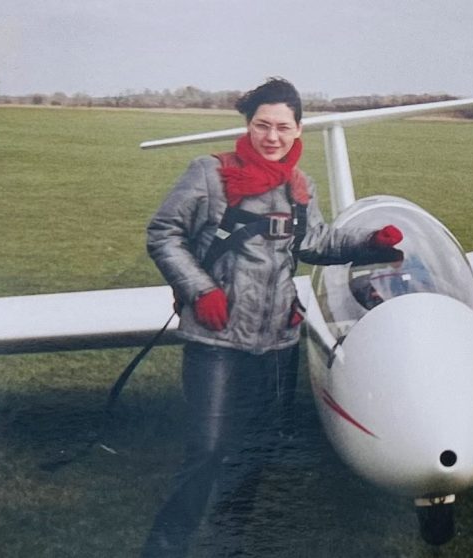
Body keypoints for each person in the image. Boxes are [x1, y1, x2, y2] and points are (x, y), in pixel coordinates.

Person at [143, 77, 403, 556]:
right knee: (207, 450)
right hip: (217, 340)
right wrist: (200, 289)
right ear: (249, 125)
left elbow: (315, 243)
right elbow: (163, 234)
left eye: (283, 127)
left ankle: (227, 544)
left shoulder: (300, 187)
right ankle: (164, 547)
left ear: (298, 129)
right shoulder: (208, 173)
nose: (272, 136)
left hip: (277, 344)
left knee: (253, 453)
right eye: (263, 125)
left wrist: (369, 241)